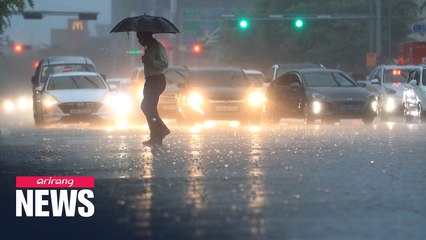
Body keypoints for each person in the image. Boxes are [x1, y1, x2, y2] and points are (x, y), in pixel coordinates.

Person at [137, 32, 170, 145]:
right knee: (149, 108)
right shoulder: (148, 48)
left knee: (147, 106)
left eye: (140, 37)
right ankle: (157, 136)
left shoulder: (158, 47)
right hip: (150, 80)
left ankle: (160, 131)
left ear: (146, 36)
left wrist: (150, 62)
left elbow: (164, 63)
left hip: (157, 80)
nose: (139, 41)